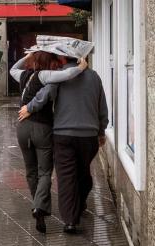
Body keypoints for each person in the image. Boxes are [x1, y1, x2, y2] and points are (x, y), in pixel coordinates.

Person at [19, 55, 109, 233]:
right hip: (88, 136)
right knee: (83, 173)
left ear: (63, 60)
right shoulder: (94, 76)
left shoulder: (59, 76)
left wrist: (29, 107)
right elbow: (102, 107)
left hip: (63, 135)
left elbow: (45, 95)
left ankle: (70, 221)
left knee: (66, 178)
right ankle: (80, 202)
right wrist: (101, 130)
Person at [10, 51, 88, 233]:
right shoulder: (45, 75)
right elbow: (68, 74)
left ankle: (39, 207)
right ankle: (39, 206)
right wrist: (81, 67)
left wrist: (28, 55)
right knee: (44, 171)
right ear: (48, 61)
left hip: (22, 128)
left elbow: (13, 67)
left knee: (30, 171)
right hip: (42, 128)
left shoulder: (23, 75)